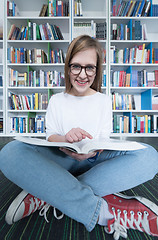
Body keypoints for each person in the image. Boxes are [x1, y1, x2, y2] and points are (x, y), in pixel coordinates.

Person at [1, 35, 158, 240]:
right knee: (10, 153)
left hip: (94, 161)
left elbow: (104, 138)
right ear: (68, 68)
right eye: (76, 66)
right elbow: (51, 137)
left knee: (150, 156)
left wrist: (95, 149)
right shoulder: (57, 100)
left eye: (89, 67)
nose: (82, 74)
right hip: (61, 160)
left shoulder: (103, 101)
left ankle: (47, 192)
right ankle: (101, 211)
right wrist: (65, 139)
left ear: (96, 70)